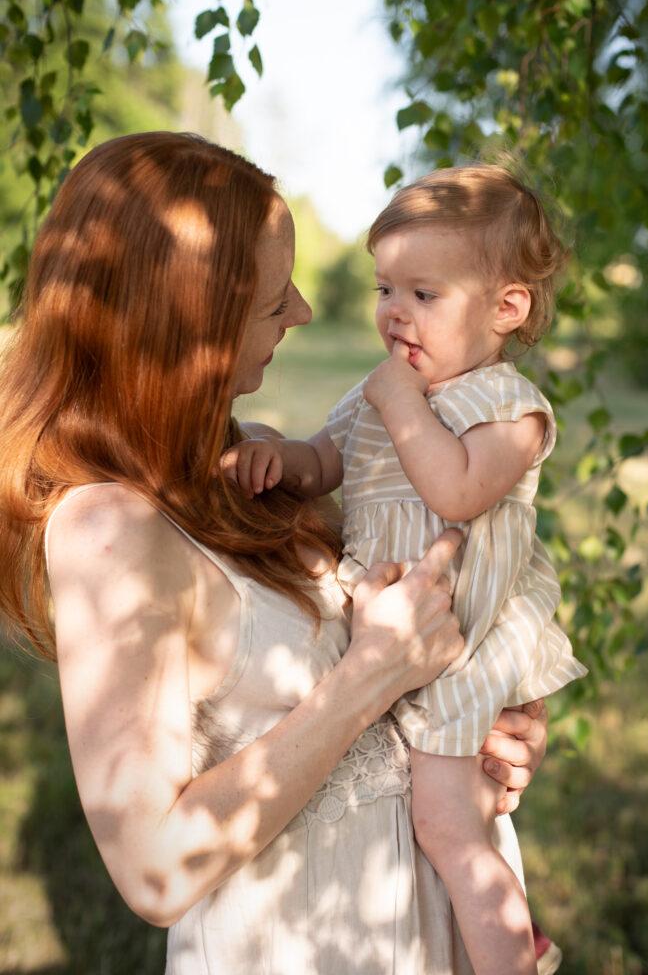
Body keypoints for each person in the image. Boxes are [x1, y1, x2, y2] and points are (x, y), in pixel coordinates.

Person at [0, 133, 551, 975]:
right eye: (268, 301)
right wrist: (374, 673)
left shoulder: (249, 465)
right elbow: (153, 871)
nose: (300, 311)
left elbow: (431, 598)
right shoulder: (109, 531)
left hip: (427, 919)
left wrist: (495, 724)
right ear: (184, 321)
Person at [223, 164, 587, 975]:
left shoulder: (508, 408)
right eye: (388, 289)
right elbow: (323, 461)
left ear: (506, 307)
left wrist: (399, 404)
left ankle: (512, 955)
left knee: (448, 826)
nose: (395, 313)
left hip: (461, 643)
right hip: (397, 635)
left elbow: (455, 492)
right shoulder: (382, 388)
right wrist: (272, 457)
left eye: (424, 294)